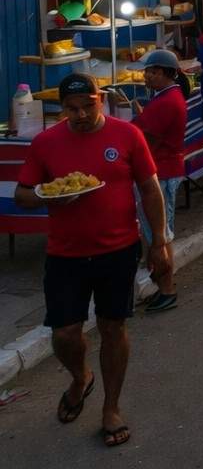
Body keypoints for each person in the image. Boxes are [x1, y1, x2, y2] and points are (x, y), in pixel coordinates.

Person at [15, 73, 171, 448]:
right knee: (65, 334)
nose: (81, 114)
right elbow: (23, 193)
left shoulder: (126, 135)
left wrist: (159, 243)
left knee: (113, 328)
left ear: (100, 99)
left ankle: (111, 407)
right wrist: (45, 197)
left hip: (117, 250)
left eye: (88, 105)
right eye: (72, 109)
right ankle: (80, 376)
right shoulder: (45, 143)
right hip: (65, 253)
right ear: (61, 109)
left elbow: (150, 189)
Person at [131, 49, 187, 312]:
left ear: (164, 73)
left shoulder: (167, 101)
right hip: (164, 170)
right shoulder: (166, 97)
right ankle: (162, 285)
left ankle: (166, 289)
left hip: (161, 172)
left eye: (152, 72)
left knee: (160, 236)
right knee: (160, 234)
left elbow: (146, 141)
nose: (147, 76)